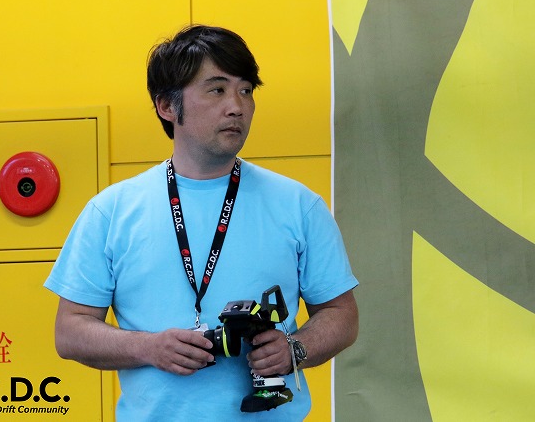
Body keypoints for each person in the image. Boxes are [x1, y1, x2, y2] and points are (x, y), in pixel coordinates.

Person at [44, 24, 358, 421]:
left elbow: (341, 314)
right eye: (217, 90)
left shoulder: (298, 205)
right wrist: (148, 347)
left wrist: (295, 349)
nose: (237, 106)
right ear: (167, 106)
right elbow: (70, 331)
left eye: (246, 90)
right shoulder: (111, 212)